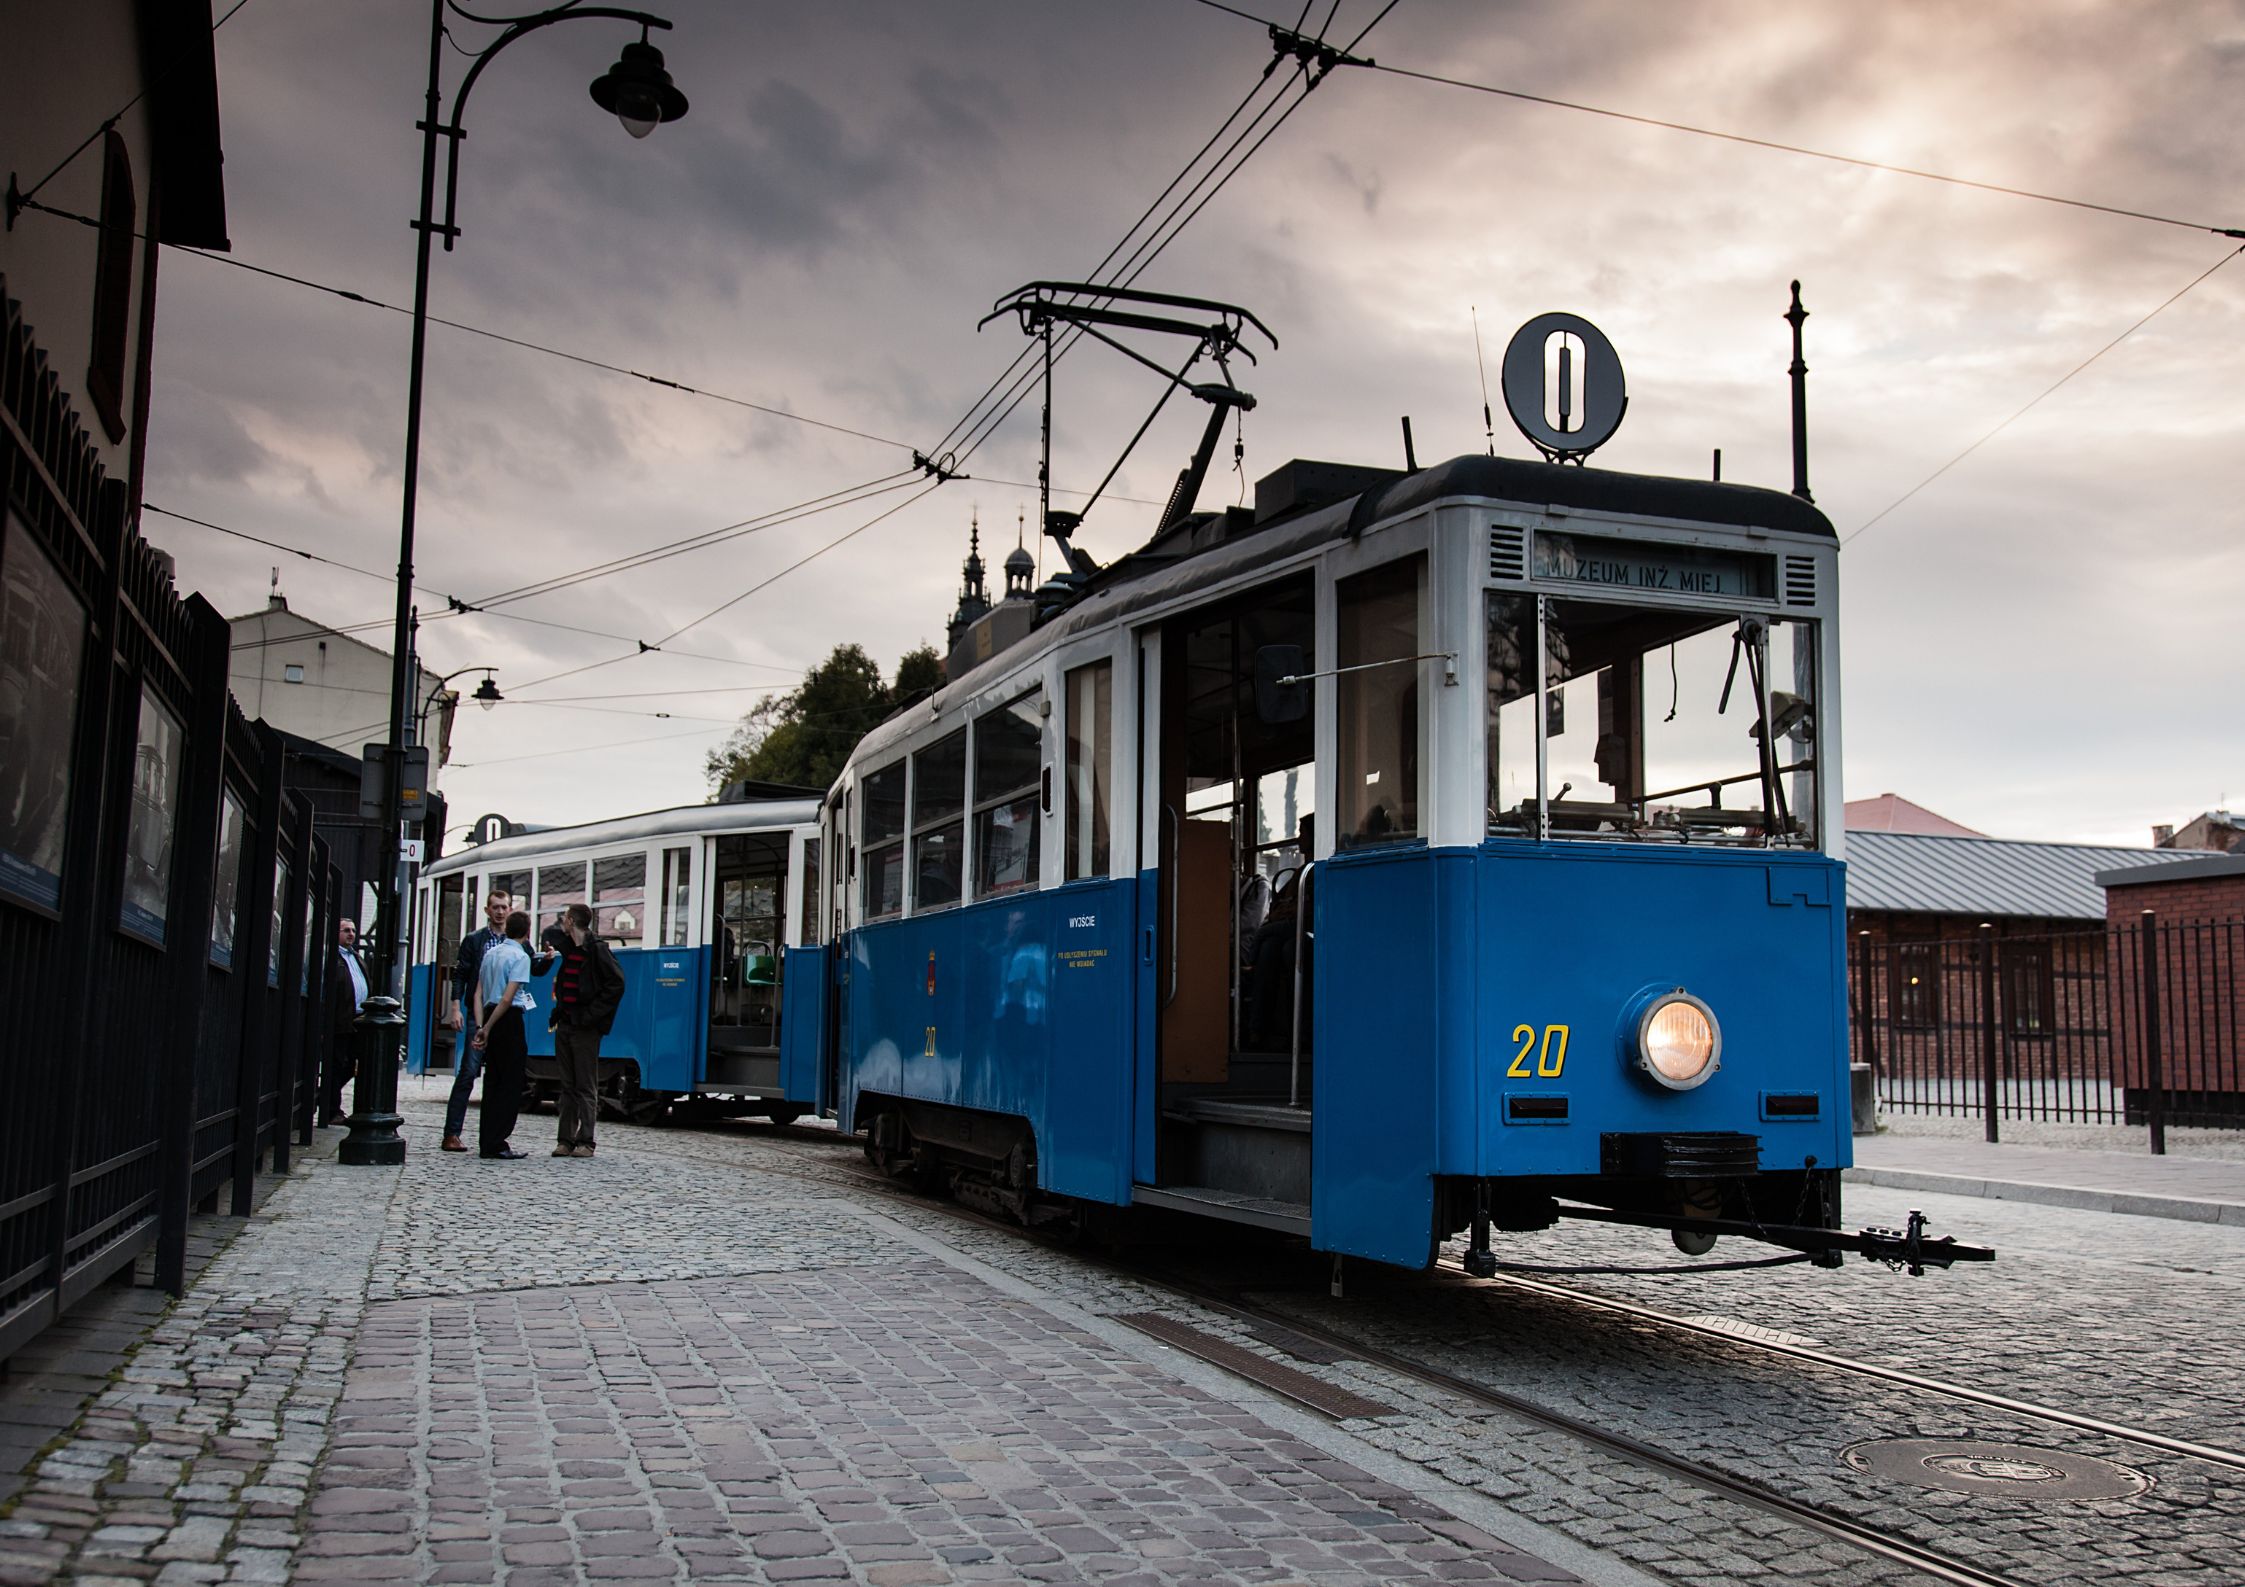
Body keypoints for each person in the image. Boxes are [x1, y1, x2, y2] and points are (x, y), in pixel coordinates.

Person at [546, 903, 625, 1158]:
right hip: (566, 1023)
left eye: (565, 919)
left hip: (585, 1026)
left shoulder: (597, 950)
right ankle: (565, 1140)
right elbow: (552, 936)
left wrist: (592, 1016)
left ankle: (586, 1141)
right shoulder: (571, 949)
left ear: (570, 921)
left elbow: (616, 984)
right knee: (568, 1084)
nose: (562, 923)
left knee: (585, 1084)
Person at [441, 890, 512, 1153]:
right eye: (495, 907)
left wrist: (547, 961)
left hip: (503, 1015)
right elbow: (460, 974)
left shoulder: (514, 941)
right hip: (477, 1012)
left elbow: (529, 968)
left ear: (509, 910)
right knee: (469, 1072)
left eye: (504, 907)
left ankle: (493, 1136)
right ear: (487, 910)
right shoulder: (474, 940)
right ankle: (452, 1133)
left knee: (499, 1075)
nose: (500, 912)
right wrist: (456, 1007)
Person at [469, 910, 536, 1160]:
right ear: (527, 932)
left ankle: (487, 1139)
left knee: (493, 1081)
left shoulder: (490, 953)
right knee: (510, 1081)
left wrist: (481, 1026)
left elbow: (478, 993)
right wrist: (488, 1027)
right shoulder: (520, 956)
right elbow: (508, 998)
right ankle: (499, 1140)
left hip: (487, 1013)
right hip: (507, 1019)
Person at [320, 918, 369, 1125]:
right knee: (337, 1063)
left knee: (352, 1065)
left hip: (359, 1020)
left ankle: (323, 1096)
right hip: (340, 1019)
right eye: (346, 930)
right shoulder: (330, 957)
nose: (351, 934)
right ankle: (331, 1109)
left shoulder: (356, 957)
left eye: (353, 930)